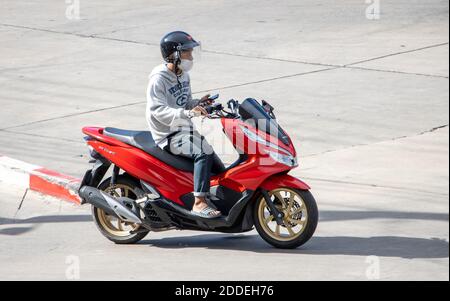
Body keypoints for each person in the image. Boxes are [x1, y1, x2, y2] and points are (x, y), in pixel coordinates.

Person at [146, 31, 225, 218]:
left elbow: (183, 102)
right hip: (168, 135)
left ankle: (218, 197)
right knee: (203, 153)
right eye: (187, 52)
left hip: (185, 129)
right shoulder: (159, 79)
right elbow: (157, 111)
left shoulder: (183, 75)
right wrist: (189, 112)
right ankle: (198, 203)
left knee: (217, 164)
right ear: (174, 54)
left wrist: (198, 103)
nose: (191, 57)